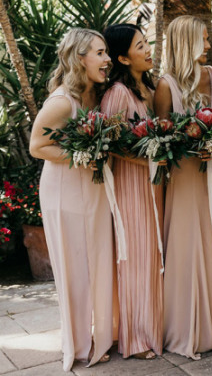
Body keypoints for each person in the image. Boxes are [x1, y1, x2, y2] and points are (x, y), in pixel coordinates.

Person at [29, 28, 115, 371]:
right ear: (80, 58)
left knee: (96, 263)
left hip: (91, 188)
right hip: (64, 190)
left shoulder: (94, 96)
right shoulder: (63, 101)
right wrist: (81, 157)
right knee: (75, 268)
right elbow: (38, 146)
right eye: (100, 52)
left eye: (107, 52)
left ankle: (101, 333)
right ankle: (79, 345)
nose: (107, 59)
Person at [154, 15, 212, 359]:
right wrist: (187, 142)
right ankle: (186, 327)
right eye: (203, 40)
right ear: (186, 42)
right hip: (183, 178)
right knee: (186, 246)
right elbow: (161, 139)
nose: (209, 46)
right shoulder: (166, 85)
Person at [101, 23, 163, 360]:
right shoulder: (117, 95)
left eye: (147, 42)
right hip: (130, 185)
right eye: (141, 45)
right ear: (123, 57)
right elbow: (112, 147)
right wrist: (157, 161)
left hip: (152, 185)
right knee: (134, 259)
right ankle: (134, 337)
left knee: (151, 259)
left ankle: (152, 328)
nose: (148, 48)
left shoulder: (148, 88)